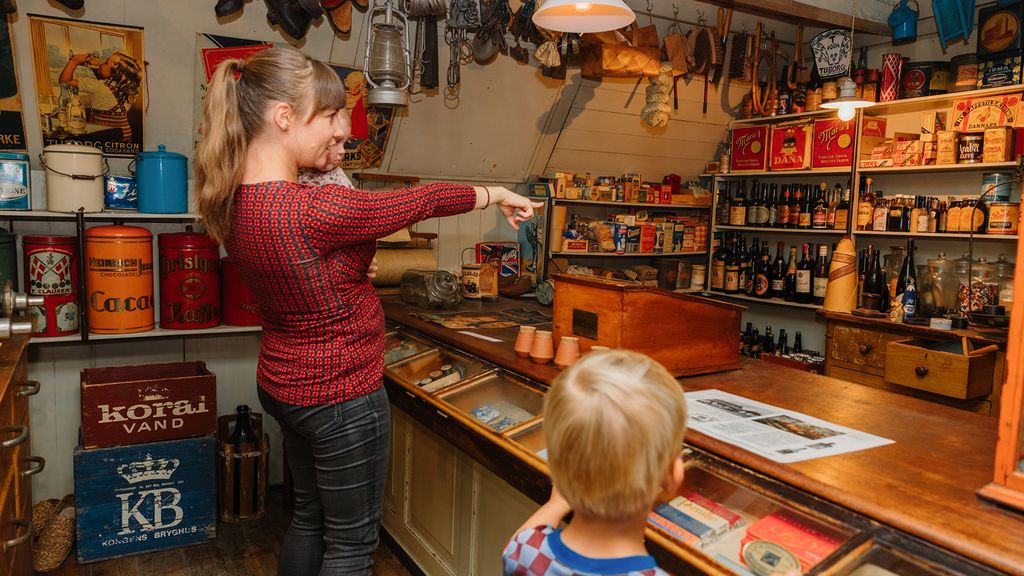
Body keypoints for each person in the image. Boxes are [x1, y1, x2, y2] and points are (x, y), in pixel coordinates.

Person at [194, 46, 538, 576]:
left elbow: (304, 270)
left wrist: (351, 265)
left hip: (284, 380)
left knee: (308, 516)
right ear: (284, 117)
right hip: (339, 392)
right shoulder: (314, 206)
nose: (341, 128)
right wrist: (495, 193)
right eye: (330, 114)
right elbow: (421, 201)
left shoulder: (234, 200)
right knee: (352, 547)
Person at [502, 350, 687, 576]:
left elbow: (515, 547)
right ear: (672, 475)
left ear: (557, 469)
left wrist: (557, 503)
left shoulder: (525, 555)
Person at [58, 51, 143, 140]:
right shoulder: (127, 88)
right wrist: (96, 66)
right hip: (125, 135)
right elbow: (105, 78)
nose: (102, 64)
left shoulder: (98, 86)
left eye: (106, 63)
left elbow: (64, 81)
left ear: (115, 72)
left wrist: (74, 62)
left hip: (102, 135)